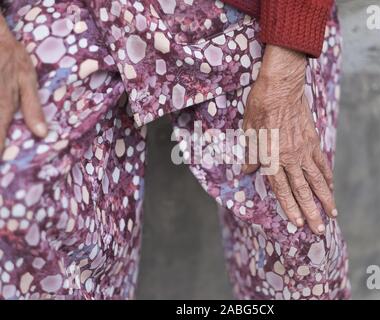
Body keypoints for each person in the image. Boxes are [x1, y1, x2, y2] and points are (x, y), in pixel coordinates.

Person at [0, 0, 350, 299]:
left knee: (299, 233)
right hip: (75, 9)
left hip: (240, 16)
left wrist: (288, 53)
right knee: (16, 197)